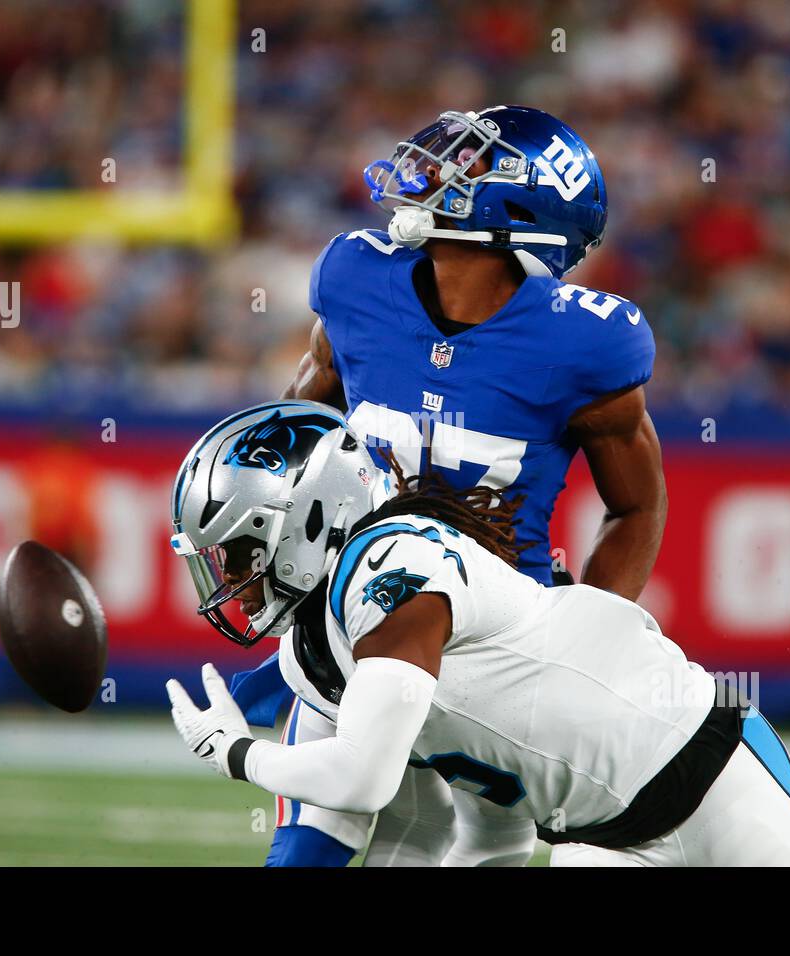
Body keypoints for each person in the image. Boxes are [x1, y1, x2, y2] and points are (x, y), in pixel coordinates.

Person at [231, 106, 668, 865]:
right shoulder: (355, 279)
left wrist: (587, 630)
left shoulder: (585, 343)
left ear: (521, 206)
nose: (431, 171)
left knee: (462, 848)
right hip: (361, 613)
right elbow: (301, 436)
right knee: (306, 851)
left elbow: (636, 504)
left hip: (493, 644)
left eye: (467, 163)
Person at [167, 401, 790, 866]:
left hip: (703, 766)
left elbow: (362, 778)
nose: (231, 578)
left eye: (236, 552)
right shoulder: (321, 648)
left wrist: (234, 753)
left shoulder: (392, 569)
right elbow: (491, 803)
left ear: (309, 518)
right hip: (597, 836)